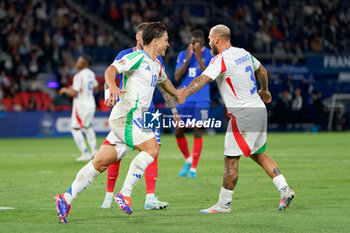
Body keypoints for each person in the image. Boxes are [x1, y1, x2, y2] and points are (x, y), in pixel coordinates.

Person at [55, 22, 180, 223]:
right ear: (155, 41)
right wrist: (112, 86)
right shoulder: (136, 57)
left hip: (137, 117)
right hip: (126, 116)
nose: (168, 44)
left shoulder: (157, 64)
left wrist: (178, 94)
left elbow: (163, 81)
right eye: (166, 40)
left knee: (99, 163)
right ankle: (125, 193)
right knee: (152, 148)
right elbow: (111, 70)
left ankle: (66, 197)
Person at [177, 24, 295, 213]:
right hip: (258, 109)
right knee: (258, 154)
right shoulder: (243, 53)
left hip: (243, 114)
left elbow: (203, 79)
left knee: (230, 159)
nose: (208, 42)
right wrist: (264, 90)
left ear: (217, 39)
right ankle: (285, 189)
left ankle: (223, 205)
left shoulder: (220, 59)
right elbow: (262, 71)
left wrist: (184, 93)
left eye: (209, 39)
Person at [100, 22, 180, 210]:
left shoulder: (156, 60)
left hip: (149, 111)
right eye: (139, 35)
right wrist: (108, 95)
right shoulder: (126, 55)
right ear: (138, 37)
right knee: (117, 154)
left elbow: (164, 86)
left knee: (154, 150)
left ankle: (150, 197)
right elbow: (111, 76)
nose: (140, 38)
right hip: (129, 109)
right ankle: (109, 195)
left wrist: (174, 110)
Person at [174, 30, 213, 178]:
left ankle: (193, 169)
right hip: (185, 97)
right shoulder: (183, 54)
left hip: (202, 98)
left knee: (198, 130)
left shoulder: (209, 54)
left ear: (202, 42)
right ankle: (188, 159)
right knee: (178, 130)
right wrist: (188, 58)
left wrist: (198, 56)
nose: (194, 44)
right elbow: (177, 77)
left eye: (197, 42)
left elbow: (208, 76)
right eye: (192, 42)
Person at [59, 55, 98, 161]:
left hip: (81, 105)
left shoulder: (78, 76)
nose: (76, 63)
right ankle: (94, 152)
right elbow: (95, 87)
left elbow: (74, 93)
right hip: (91, 103)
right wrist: (84, 91)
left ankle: (85, 153)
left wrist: (65, 90)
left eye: (79, 61)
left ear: (84, 64)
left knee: (75, 128)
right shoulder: (91, 74)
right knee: (87, 127)